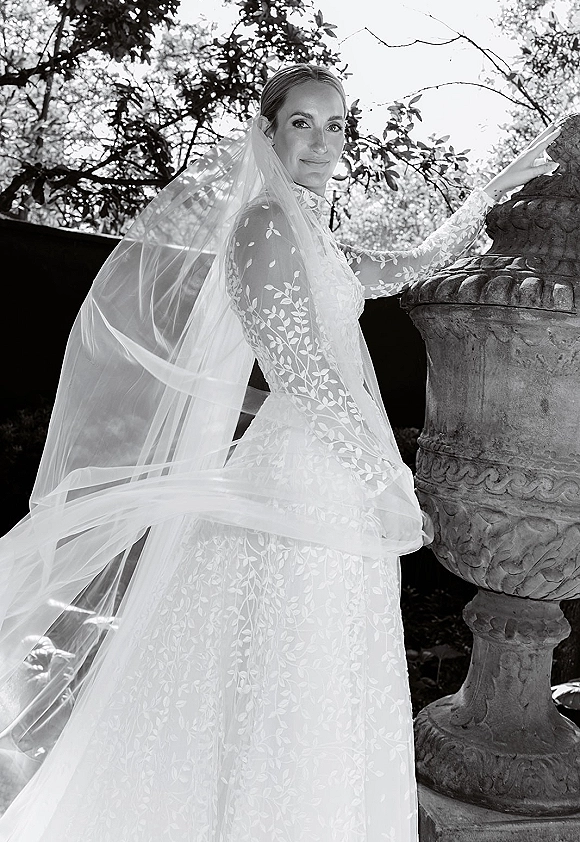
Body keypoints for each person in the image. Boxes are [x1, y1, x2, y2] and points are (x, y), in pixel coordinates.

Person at [0, 64, 559, 841]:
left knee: (312, 681)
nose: (322, 142)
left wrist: (489, 190)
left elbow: (403, 269)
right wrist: (389, 478)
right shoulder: (265, 225)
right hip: (303, 477)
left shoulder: (311, 232)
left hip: (328, 474)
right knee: (280, 677)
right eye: (303, 123)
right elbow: (305, 376)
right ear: (268, 133)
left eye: (335, 126)